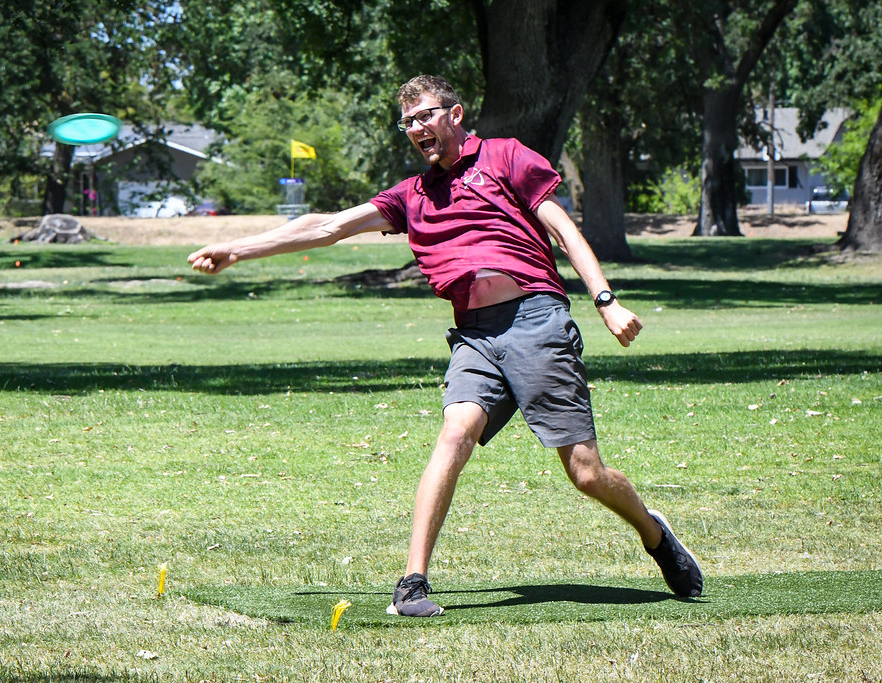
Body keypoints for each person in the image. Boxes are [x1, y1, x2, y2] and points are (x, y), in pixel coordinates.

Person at [188, 74, 703, 617]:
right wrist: (236, 250)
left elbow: (565, 231)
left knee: (586, 473)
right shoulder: (412, 196)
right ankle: (412, 583)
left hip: (535, 319)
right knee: (455, 432)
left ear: (454, 114)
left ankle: (654, 534)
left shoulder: (505, 157)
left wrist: (605, 300)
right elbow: (329, 227)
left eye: (425, 116)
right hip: (475, 334)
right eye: (407, 122)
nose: (416, 128)